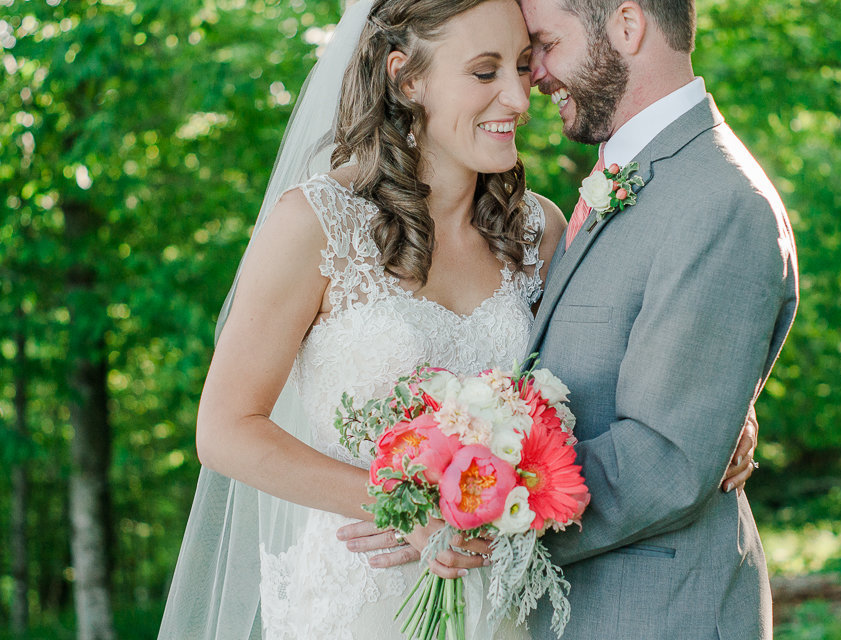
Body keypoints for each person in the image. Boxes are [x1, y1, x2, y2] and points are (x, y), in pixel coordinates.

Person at [159, 0, 759, 638]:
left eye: (524, 66)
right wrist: (407, 508)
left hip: (503, 603)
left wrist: (723, 412)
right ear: (406, 77)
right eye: (484, 71)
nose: (519, 98)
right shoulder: (315, 227)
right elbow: (225, 430)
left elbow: (610, 363)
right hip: (363, 601)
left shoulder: (538, 233)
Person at [513, 0, 800, 638]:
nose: (534, 73)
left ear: (626, 24)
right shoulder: (635, 176)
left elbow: (667, 459)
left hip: (655, 614)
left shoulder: (721, 201)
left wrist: (481, 519)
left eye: (546, 43)